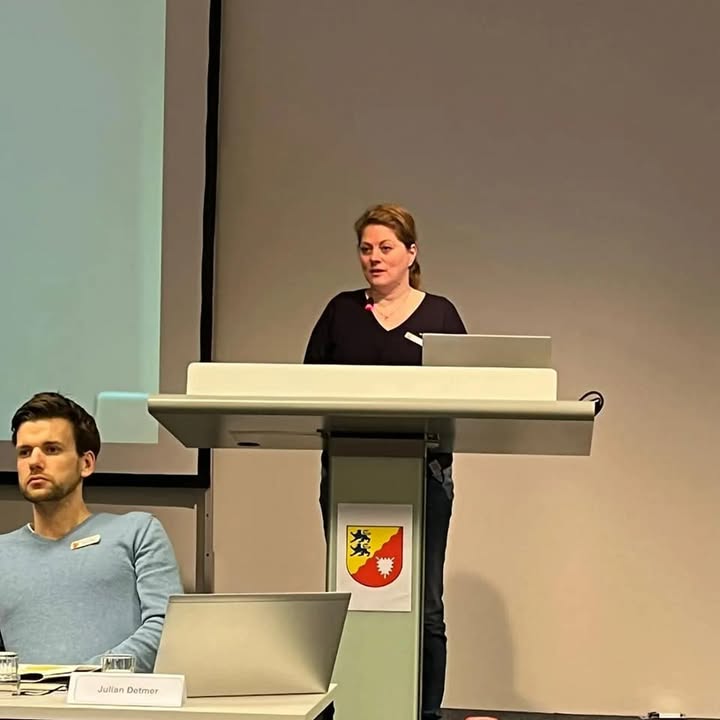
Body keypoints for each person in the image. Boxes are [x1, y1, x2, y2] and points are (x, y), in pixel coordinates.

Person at [304, 203, 467, 720]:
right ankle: (351, 705)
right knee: (353, 600)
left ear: (411, 253)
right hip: (349, 473)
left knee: (426, 605)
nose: (374, 258)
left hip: (425, 475)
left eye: (386, 248)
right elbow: (305, 387)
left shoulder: (440, 315)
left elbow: (467, 393)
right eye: (366, 248)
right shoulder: (341, 311)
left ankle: (424, 713)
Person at [0, 392, 183, 673]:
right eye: (25, 452)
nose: (34, 462)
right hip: (23, 700)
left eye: (51, 449)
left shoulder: (137, 532)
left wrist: (84, 679)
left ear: (86, 463)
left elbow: (167, 626)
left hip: (112, 698)